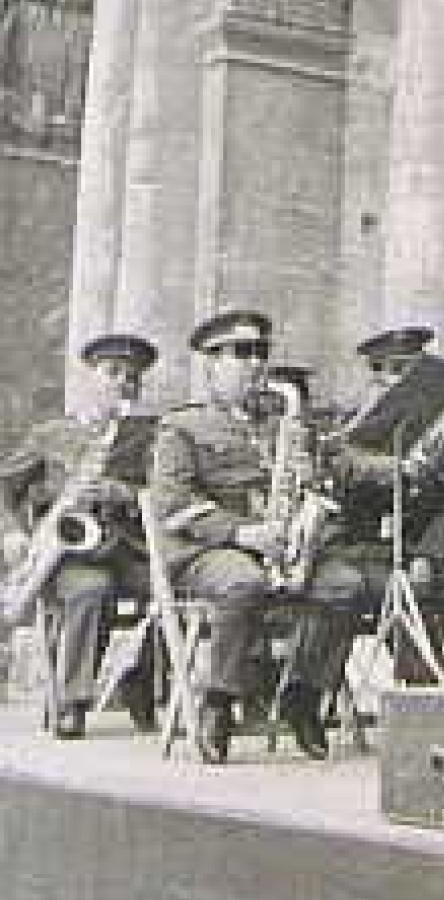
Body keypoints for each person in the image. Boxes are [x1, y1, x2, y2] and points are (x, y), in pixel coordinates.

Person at [149, 310, 364, 763]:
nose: (255, 364)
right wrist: (243, 533)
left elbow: (308, 487)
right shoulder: (182, 428)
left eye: (260, 353)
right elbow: (174, 506)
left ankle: (302, 696)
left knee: (345, 585)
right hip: (207, 551)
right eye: (241, 354)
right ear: (211, 364)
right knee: (243, 582)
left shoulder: (280, 421)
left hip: (279, 546)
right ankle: (220, 701)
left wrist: (312, 479)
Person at [326, 327, 444, 683]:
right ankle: (421, 696)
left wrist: (428, 554)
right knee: (408, 594)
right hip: (361, 555)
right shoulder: (345, 431)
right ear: (375, 376)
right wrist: (398, 465)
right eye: (393, 372)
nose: (399, 385)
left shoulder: (442, 432)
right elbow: (346, 474)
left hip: (422, 552)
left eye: (412, 375)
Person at [0, 333, 159, 738]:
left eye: (132, 377)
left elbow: (165, 491)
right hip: (73, 554)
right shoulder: (50, 434)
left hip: (129, 548)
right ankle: (73, 701)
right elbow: (6, 487)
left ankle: (141, 678)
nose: (124, 382)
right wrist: (14, 534)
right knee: (91, 591)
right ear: (88, 378)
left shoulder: (149, 436)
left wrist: (121, 492)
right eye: (113, 373)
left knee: (173, 589)